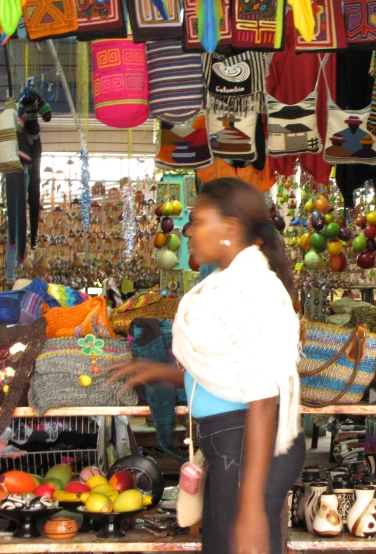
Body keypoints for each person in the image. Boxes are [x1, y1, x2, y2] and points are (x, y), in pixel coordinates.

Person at [112, 177, 306, 554]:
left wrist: (249, 507)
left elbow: (263, 396)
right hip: (238, 442)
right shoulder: (231, 283)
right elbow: (232, 369)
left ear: (229, 229)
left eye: (199, 221)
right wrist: (163, 374)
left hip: (247, 443)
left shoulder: (240, 290)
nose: (189, 231)